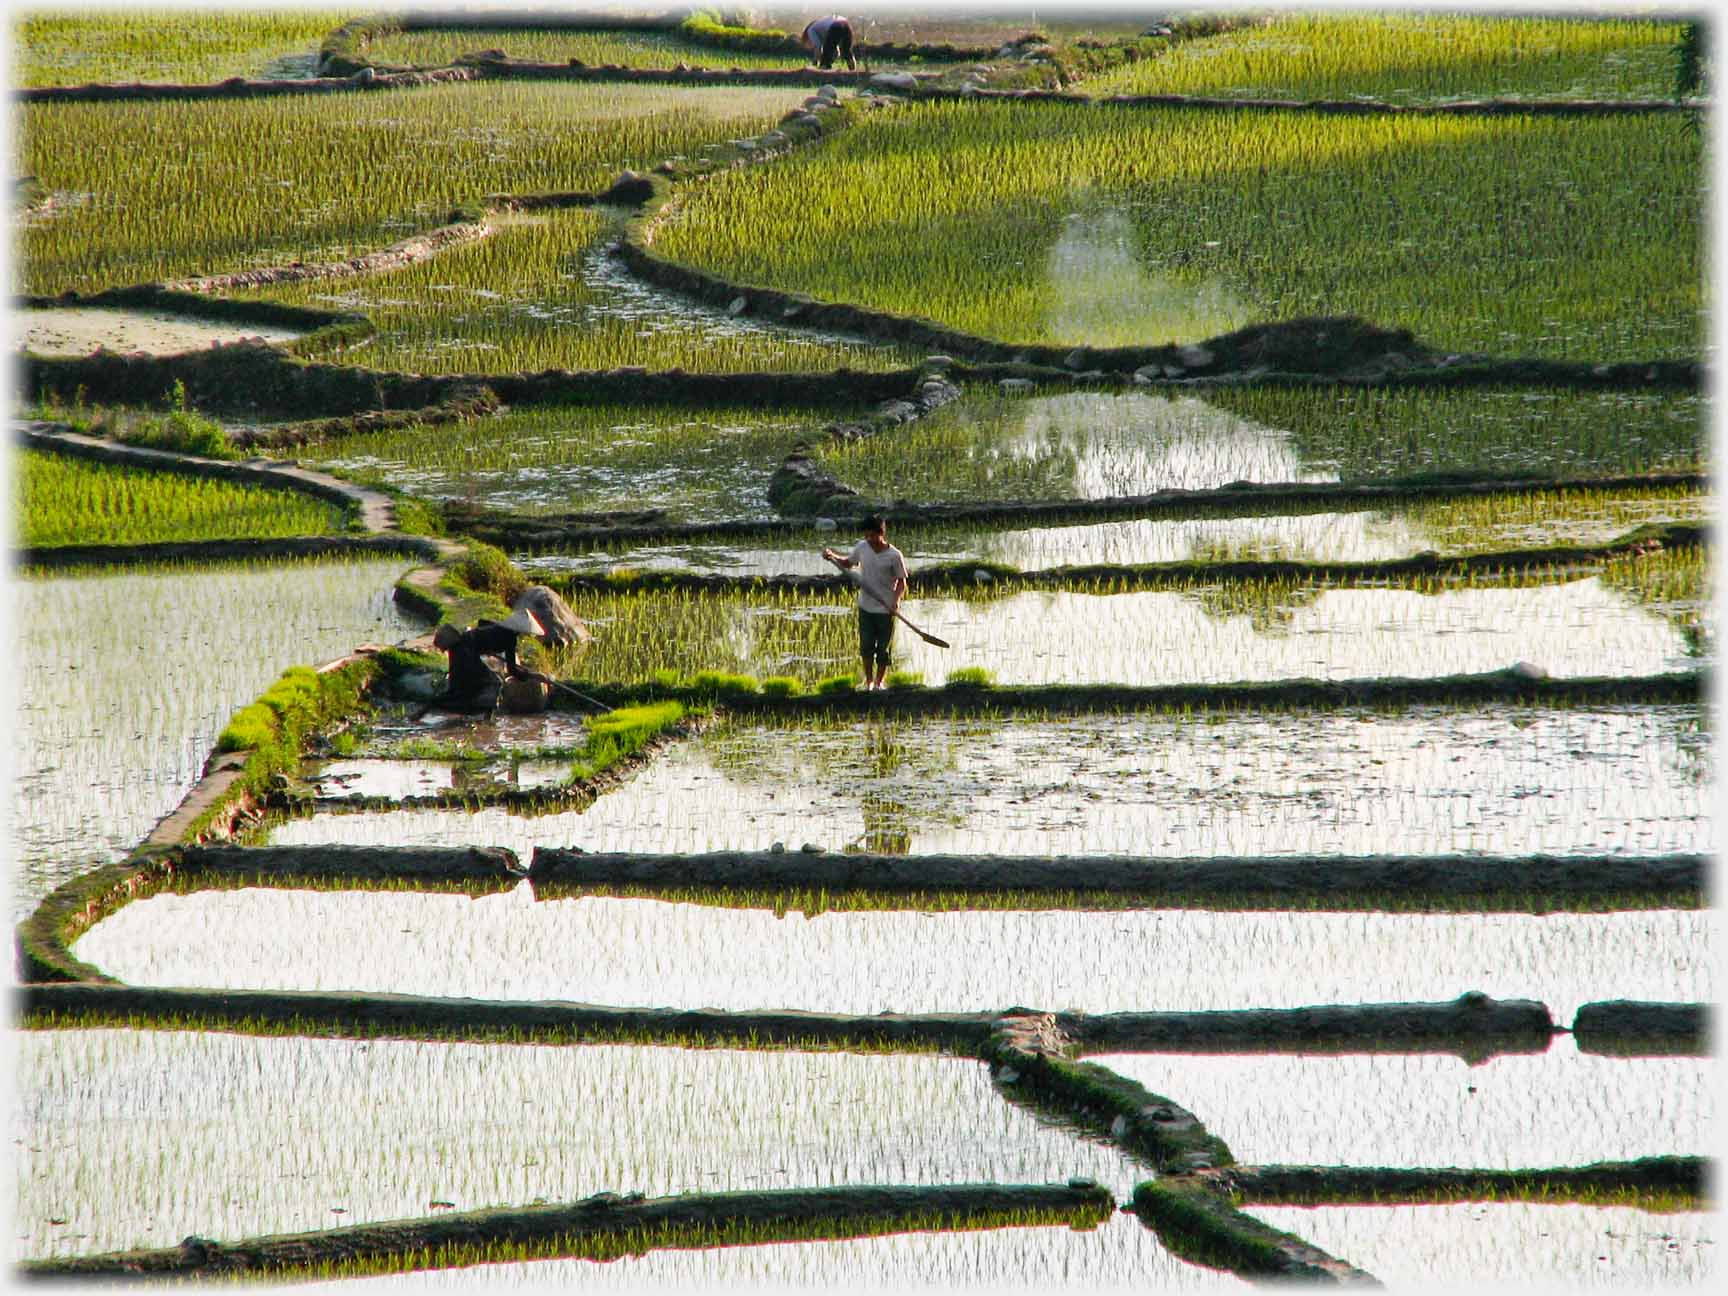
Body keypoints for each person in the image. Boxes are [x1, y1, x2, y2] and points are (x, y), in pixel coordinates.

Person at [822, 514, 908, 692]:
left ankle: (879, 682)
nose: (869, 539)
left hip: (885, 610)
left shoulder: (894, 555)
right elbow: (848, 563)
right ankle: (868, 682)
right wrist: (832, 556)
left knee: (883, 650)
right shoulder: (862, 547)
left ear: (881, 533)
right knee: (866, 646)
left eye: (872, 536)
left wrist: (895, 601)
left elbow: (902, 582)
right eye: (866, 536)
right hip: (866, 607)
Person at [430, 606, 548, 712]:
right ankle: (487, 719)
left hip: (460, 646)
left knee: (457, 687)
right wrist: (532, 675)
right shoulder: (510, 638)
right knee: (494, 682)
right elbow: (512, 670)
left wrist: (485, 645)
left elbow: (482, 622)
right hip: (467, 650)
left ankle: (428, 709)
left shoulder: (500, 627)